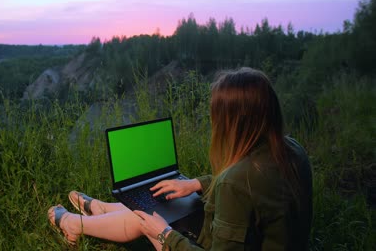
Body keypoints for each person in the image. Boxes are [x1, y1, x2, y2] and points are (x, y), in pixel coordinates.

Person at [48, 67, 313, 250]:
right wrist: (195, 184)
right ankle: (100, 208)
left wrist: (165, 234)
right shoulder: (292, 150)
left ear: (233, 123)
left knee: (145, 217)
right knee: (157, 204)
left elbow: (238, 186)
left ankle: (73, 223)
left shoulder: (235, 182)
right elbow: (252, 190)